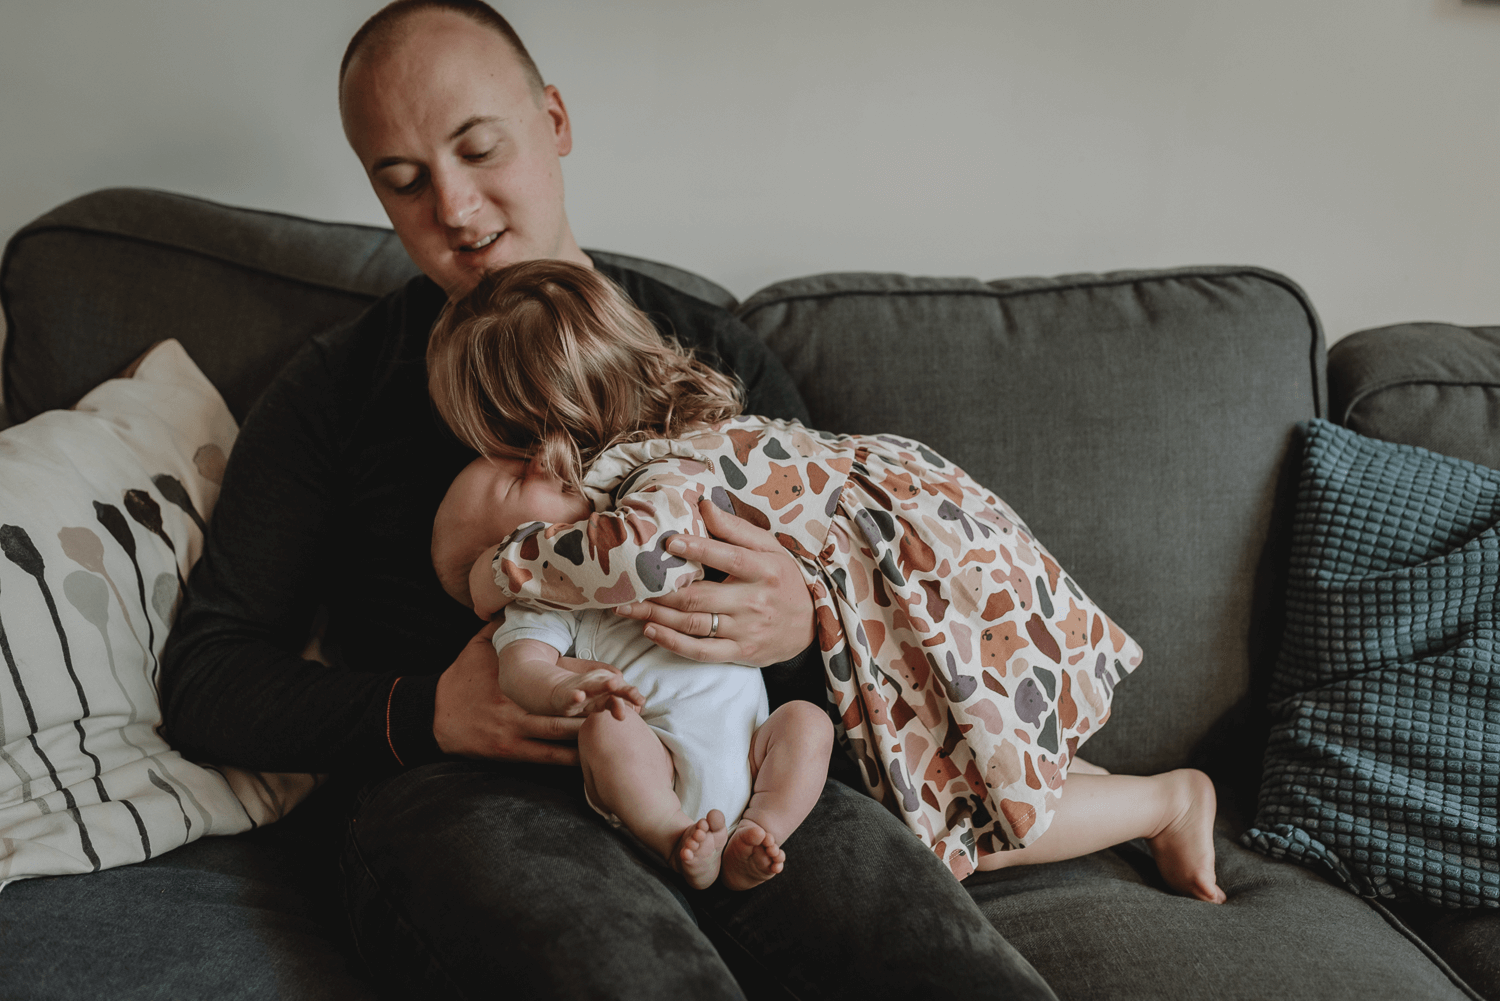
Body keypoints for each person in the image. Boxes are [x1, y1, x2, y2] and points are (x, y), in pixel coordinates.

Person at [159, 1, 1060, 997]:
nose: (455, 209)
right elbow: (208, 673)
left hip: (740, 772)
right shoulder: (338, 385)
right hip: (467, 799)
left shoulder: (705, 351)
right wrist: (428, 713)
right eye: (403, 180)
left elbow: (869, 620)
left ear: (554, 122)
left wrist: (805, 619)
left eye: (479, 148)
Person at [425, 258, 1228, 900]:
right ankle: (1135, 796)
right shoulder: (692, 428)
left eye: (492, 451)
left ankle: (1168, 801)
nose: (492, 471)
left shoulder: (656, 472)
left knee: (964, 834)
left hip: (909, 577)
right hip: (914, 553)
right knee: (986, 761)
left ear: (543, 440)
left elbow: (639, 559)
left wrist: (505, 568)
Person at [432, 455, 835, 891]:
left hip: (757, 747)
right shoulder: (541, 605)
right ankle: (672, 836)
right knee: (608, 730)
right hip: (656, 770)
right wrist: (562, 687)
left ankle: (759, 831)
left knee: (808, 722)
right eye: (513, 482)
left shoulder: (645, 542)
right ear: (497, 553)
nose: (544, 462)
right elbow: (520, 670)